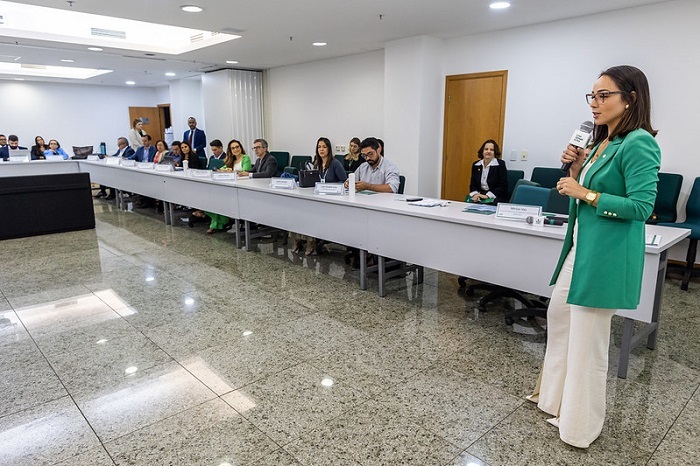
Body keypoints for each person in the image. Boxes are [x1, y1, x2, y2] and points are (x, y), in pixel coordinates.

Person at [528, 65, 661, 449]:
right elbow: (587, 187)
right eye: (592, 96)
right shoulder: (604, 141)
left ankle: (580, 427)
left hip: (605, 256)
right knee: (560, 319)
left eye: (604, 96)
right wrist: (576, 167)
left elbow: (642, 207)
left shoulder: (639, 142)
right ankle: (554, 400)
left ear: (630, 99)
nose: (594, 103)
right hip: (580, 248)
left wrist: (584, 192)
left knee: (588, 340)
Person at [293, 137, 348, 255]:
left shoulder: (335, 163)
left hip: (331, 200)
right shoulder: (316, 163)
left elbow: (344, 181)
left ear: (329, 149)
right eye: (319, 147)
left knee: (311, 214)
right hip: (317, 197)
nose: (321, 149)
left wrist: (330, 187)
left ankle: (311, 242)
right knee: (300, 211)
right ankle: (298, 239)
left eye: (324, 147)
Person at [468, 139, 508, 204]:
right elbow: (473, 185)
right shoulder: (476, 165)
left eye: (491, 150)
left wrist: (487, 196)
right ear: (482, 151)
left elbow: (503, 186)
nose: (488, 151)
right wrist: (475, 195)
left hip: (496, 196)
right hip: (480, 195)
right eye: (486, 149)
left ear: (495, 152)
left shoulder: (500, 164)